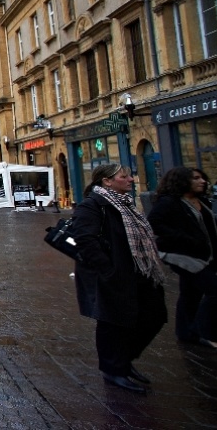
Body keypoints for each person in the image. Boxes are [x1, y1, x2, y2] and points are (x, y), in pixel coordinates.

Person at [71, 164, 168, 394]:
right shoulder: (93, 204)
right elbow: (84, 239)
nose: (131, 179)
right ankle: (114, 369)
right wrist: (108, 270)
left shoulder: (126, 204)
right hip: (113, 274)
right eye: (124, 176)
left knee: (154, 315)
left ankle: (124, 360)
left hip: (139, 270)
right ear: (106, 181)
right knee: (113, 322)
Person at [147, 167, 217, 355]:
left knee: (190, 293)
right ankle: (210, 334)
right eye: (196, 178)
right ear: (181, 181)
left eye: (202, 178)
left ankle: (185, 332)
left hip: (205, 256)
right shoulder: (169, 203)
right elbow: (153, 223)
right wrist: (184, 238)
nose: (202, 181)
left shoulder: (201, 201)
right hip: (184, 256)